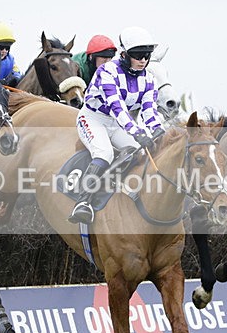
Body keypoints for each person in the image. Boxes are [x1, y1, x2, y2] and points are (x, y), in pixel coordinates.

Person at [68, 26, 166, 224]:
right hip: (93, 118)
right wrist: (138, 132)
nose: (143, 60)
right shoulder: (107, 71)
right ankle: (83, 201)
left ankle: (116, 187)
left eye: (147, 55)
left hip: (116, 124)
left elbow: (149, 110)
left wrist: (158, 131)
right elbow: (118, 108)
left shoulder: (149, 79)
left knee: (136, 151)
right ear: (124, 55)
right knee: (104, 154)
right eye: (138, 55)